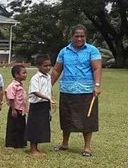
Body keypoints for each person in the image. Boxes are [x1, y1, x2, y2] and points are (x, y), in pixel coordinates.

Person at [50, 25, 102, 156]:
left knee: (87, 119)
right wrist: (48, 85)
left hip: (86, 90)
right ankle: (64, 143)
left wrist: (97, 85)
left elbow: (97, 68)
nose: (79, 38)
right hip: (67, 89)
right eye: (76, 36)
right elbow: (57, 69)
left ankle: (87, 147)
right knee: (66, 117)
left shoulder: (92, 50)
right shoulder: (64, 51)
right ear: (72, 37)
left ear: (86, 36)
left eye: (82, 36)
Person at [28, 55, 54, 156]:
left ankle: (37, 148)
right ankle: (33, 149)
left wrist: (51, 99)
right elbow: (35, 91)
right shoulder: (36, 78)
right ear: (38, 66)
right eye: (45, 66)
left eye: (49, 65)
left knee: (42, 126)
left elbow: (48, 90)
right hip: (37, 105)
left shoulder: (48, 77)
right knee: (35, 126)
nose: (48, 68)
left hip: (45, 105)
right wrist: (47, 98)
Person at [4, 64, 28, 150]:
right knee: (13, 127)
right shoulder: (13, 86)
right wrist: (13, 109)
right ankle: (11, 144)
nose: (25, 74)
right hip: (15, 109)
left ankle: (20, 143)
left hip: (21, 109)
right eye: (23, 73)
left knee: (21, 126)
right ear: (17, 74)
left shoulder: (21, 85)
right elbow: (11, 98)